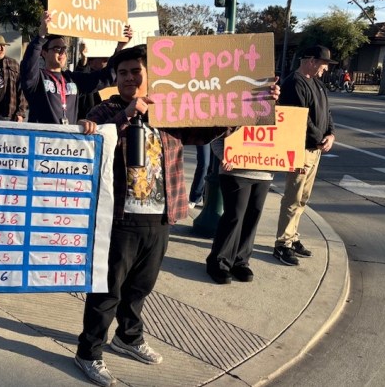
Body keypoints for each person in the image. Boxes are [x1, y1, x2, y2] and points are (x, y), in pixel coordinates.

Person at [73, 45, 280, 387]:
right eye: (122, 72)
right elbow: (91, 141)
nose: (128, 78)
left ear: (149, 75)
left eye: (135, 72)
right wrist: (127, 114)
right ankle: (88, 352)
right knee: (107, 289)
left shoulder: (169, 110)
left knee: (141, 286)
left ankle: (128, 337)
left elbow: (209, 128)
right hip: (119, 217)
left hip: (162, 215)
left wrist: (256, 101)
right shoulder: (105, 109)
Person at [273, 45, 336, 266]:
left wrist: (331, 134)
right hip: (300, 149)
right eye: (323, 63)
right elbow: (299, 118)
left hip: (314, 150)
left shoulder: (317, 84)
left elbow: (326, 112)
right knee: (293, 196)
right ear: (311, 61)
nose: (325, 69)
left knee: (303, 197)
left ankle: (293, 236)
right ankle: (282, 244)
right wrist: (320, 137)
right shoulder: (294, 83)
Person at [20, 11, 127, 125]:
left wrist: (119, 48)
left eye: (64, 49)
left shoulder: (72, 78)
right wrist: (40, 36)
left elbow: (104, 77)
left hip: (68, 139)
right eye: (57, 48)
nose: (62, 52)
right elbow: (28, 64)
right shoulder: (37, 78)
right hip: (43, 139)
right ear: (44, 53)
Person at [205, 136, 273, 284]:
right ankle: (218, 262)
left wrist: (295, 160)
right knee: (234, 216)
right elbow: (216, 137)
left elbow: (286, 136)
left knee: (253, 216)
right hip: (235, 172)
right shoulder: (234, 112)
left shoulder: (279, 113)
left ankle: (240, 261)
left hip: (264, 172)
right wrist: (225, 155)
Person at [0, 33, 27, 121]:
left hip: (9, 113)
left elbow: (21, 89)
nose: (2, 49)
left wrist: (21, 113)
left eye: (4, 46)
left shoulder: (13, 63)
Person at [187, 144, 210, 209]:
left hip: (220, 136)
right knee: (204, 163)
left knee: (212, 167)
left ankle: (207, 198)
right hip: (205, 136)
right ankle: (195, 198)